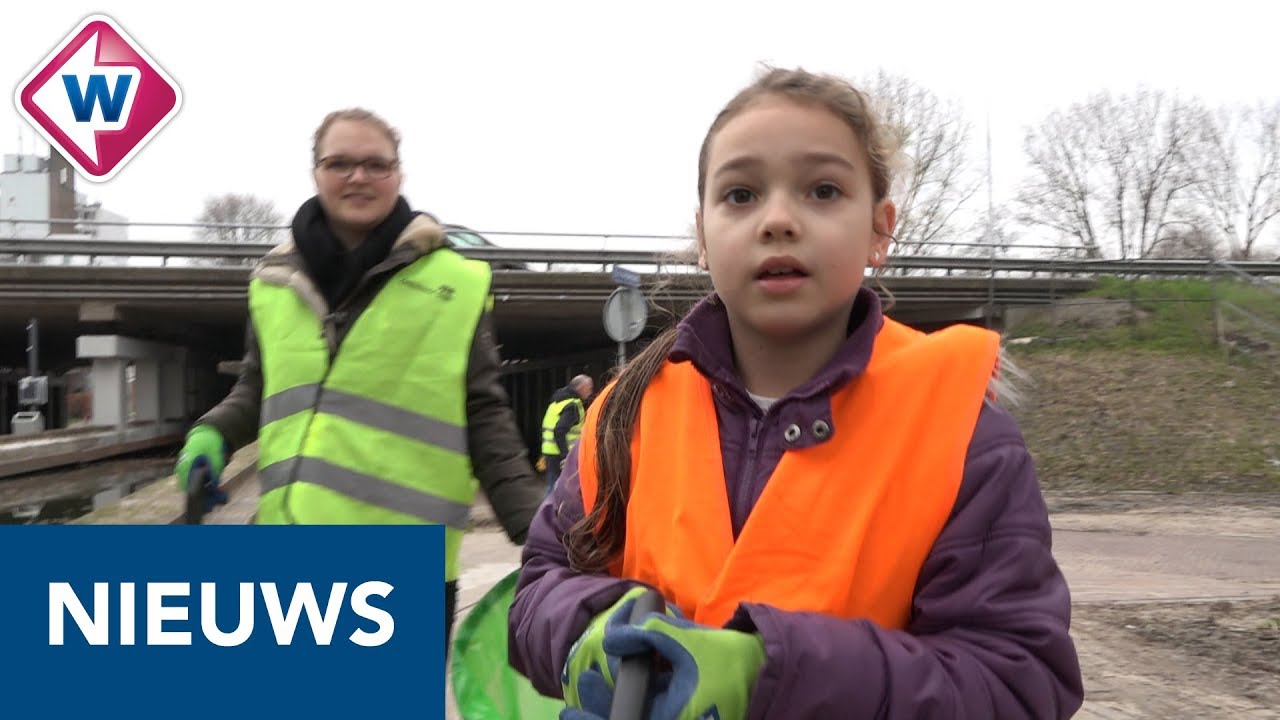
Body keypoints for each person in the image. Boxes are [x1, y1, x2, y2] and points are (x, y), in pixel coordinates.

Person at [507, 68, 1084, 719]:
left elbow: (1019, 682)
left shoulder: (964, 436)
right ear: (702, 236)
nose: (778, 220)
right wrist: (586, 632)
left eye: (823, 190)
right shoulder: (624, 416)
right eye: (742, 194)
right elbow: (535, 596)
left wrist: (777, 677)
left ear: (880, 230)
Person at [174, 107, 544, 655]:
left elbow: (483, 415)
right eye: (339, 163)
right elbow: (257, 388)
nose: (358, 177)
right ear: (316, 173)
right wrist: (214, 433)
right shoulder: (272, 282)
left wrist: (535, 531)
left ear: (398, 175)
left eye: (375, 164)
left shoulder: (456, 282)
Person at [539, 374, 594, 492]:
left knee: (553, 484)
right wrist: (565, 456)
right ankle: (554, 510)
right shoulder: (572, 405)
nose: (590, 391)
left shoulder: (557, 401)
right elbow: (559, 430)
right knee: (562, 487)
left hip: (550, 451)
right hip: (562, 454)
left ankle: (549, 509)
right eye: (589, 388)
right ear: (581, 387)